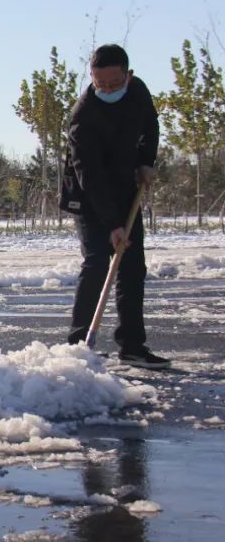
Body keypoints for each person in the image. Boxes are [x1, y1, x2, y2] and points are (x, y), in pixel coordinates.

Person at [66, 44, 170, 369]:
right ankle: (78, 345)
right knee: (98, 260)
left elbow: (150, 126)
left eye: (114, 83)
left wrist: (145, 162)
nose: (107, 90)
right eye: (100, 85)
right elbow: (90, 176)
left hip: (126, 188)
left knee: (133, 267)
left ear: (128, 75)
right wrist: (112, 224)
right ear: (91, 79)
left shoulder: (138, 91)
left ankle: (133, 347)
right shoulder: (83, 117)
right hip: (88, 194)